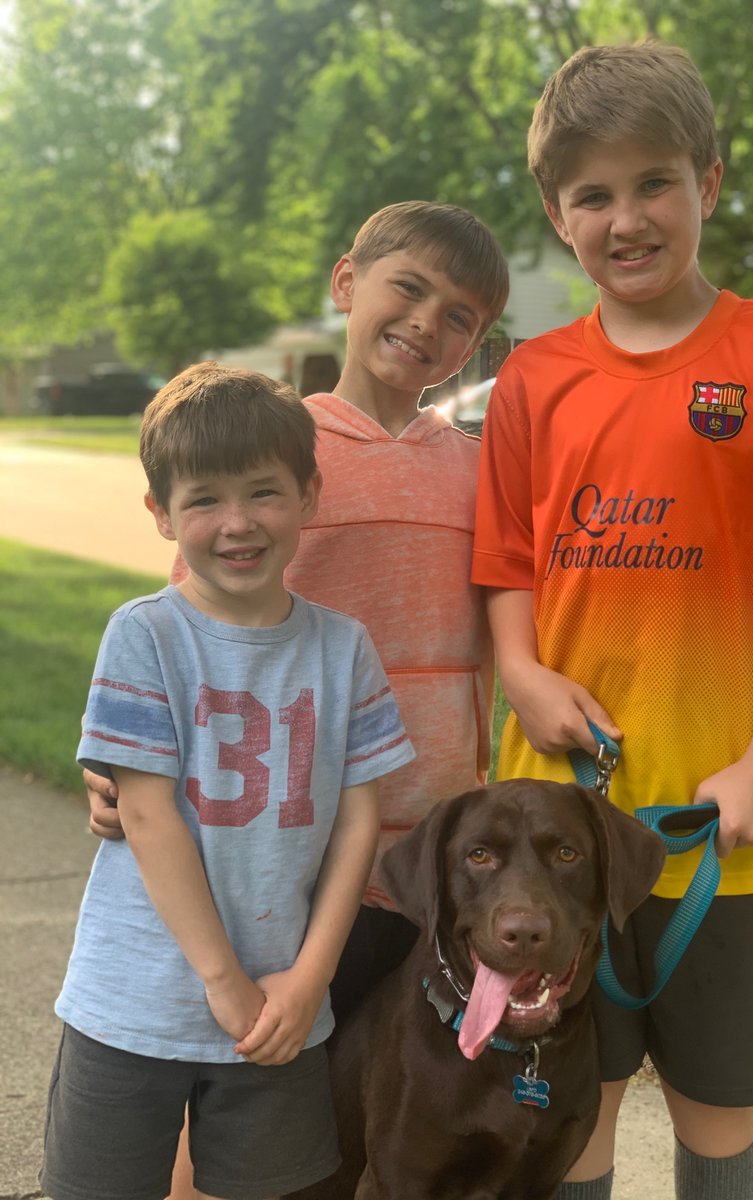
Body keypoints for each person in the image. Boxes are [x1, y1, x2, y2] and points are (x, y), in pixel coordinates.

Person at [471, 42, 753, 1200]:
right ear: (559, 217)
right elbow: (505, 562)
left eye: (653, 182)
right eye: (592, 195)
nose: (627, 217)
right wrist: (520, 670)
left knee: (716, 1112)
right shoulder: (533, 381)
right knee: (574, 1120)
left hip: (727, 840)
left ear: (707, 183)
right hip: (558, 843)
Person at [85, 203, 509, 1196]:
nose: (427, 323)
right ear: (346, 283)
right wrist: (128, 772)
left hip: (429, 851)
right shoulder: (275, 448)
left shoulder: (480, 468)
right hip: (279, 844)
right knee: (241, 1081)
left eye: (461, 317)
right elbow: (185, 620)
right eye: (409, 287)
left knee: (369, 1114)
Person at [42, 362, 415, 1200]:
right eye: (204, 499)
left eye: (263, 493)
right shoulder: (145, 637)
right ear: (161, 515)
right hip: (135, 1001)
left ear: (309, 496)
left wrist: (309, 978)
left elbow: (361, 823)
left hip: (280, 1011)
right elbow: (146, 817)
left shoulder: (343, 648)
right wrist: (224, 983)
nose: (237, 523)